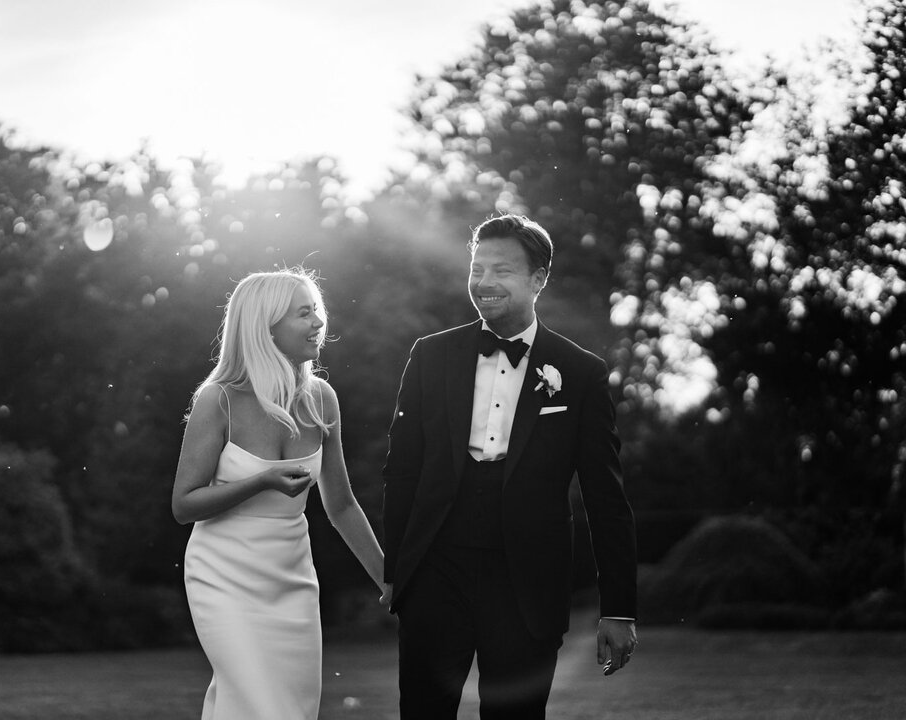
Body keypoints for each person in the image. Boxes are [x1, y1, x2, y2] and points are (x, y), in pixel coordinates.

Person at [381, 214, 638, 719]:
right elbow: (402, 469)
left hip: (528, 581)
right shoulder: (430, 356)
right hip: (436, 570)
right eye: (477, 269)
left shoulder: (581, 373)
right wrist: (398, 574)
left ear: (539, 279)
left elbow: (606, 496)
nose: (484, 283)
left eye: (502, 271)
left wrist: (619, 607)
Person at [172, 269, 388, 720]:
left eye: (317, 311)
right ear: (265, 326)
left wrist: (387, 578)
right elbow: (183, 504)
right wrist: (259, 481)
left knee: (286, 709)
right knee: (259, 704)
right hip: (223, 575)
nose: (318, 323)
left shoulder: (321, 399)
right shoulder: (219, 400)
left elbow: (342, 504)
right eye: (304, 313)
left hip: (292, 578)